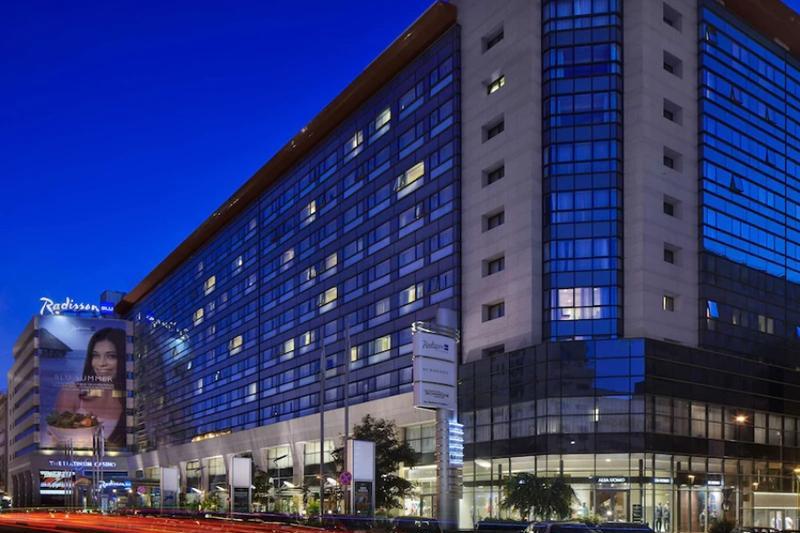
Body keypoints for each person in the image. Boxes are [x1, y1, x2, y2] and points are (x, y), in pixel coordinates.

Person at [55, 328, 126, 447]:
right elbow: (58, 440)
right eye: (96, 356)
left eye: (111, 356)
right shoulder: (71, 392)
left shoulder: (131, 399)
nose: (101, 363)